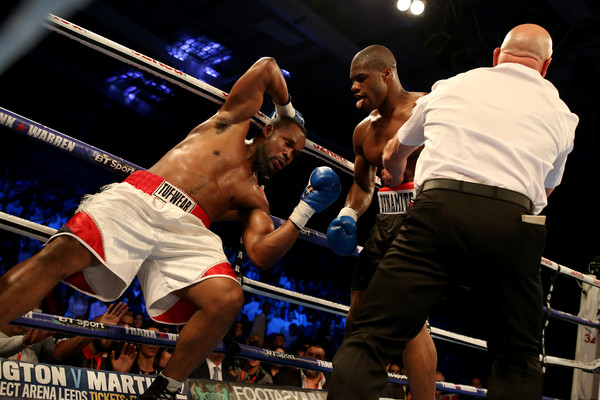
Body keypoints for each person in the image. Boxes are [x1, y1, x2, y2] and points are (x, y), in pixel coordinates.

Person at [0, 56, 341, 400]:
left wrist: (304, 210)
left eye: (296, 155)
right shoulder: (232, 121)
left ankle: (166, 388)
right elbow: (267, 67)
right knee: (57, 255)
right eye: (288, 144)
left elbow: (261, 254)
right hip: (144, 195)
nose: (289, 156)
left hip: (190, 228)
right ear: (268, 130)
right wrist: (287, 111)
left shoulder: (256, 198)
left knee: (228, 297)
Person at [326, 24, 579, 400]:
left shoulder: (452, 86)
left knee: (370, 337)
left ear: (496, 56)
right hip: (515, 221)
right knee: (519, 358)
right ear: (546, 66)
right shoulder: (564, 115)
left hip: (438, 212)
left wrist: (395, 173)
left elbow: (396, 152)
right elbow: (546, 191)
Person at [326, 44, 437, 398]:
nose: (354, 87)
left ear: (386, 73)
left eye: (360, 78)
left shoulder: (428, 107)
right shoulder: (363, 131)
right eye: (351, 81)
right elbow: (362, 186)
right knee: (356, 311)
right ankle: (347, 390)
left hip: (422, 218)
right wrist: (348, 213)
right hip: (385, 221)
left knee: (410, 321)